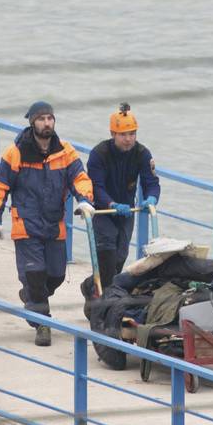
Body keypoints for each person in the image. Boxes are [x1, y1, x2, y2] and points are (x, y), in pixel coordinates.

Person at [0, 101, 94, 346]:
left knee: (55, 275)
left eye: (50, 118)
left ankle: (31, 297)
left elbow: (79, 176)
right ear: (32, 122)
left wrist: (84, 200)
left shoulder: (65, 151)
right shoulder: (15, 153)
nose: (47, 123)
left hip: (55, 224)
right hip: (26, 224)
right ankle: (42, 324)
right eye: (42, 118)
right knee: (35, 274)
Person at [86, 102, 160, 290]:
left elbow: (151, 182)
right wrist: (112, 204)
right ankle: (104, 304)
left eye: (132, 134)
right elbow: (96, 187)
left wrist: (151, 198)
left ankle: (90, 287)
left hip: (127, 212)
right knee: (108, 260)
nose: (128, 139)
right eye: (123, 135)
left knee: (119, 259)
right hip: (104, 211)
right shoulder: (99, 154)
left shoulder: (142, 154)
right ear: (113, 134)